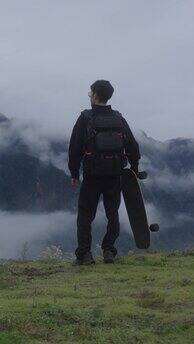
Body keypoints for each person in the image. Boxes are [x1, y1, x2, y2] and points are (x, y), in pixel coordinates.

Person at [68, 80, 140, 265]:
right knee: (112, 212)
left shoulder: (85, 118)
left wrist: (74, 173)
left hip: (92, 175)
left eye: (90, 93)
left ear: (95, 96)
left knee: (85, 214)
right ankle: (109, 250)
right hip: (115, 174)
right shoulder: (118, 118)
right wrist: (134, 168)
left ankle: (84, 254)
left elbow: (75, 148)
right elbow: (132, 145)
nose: (89, 95)